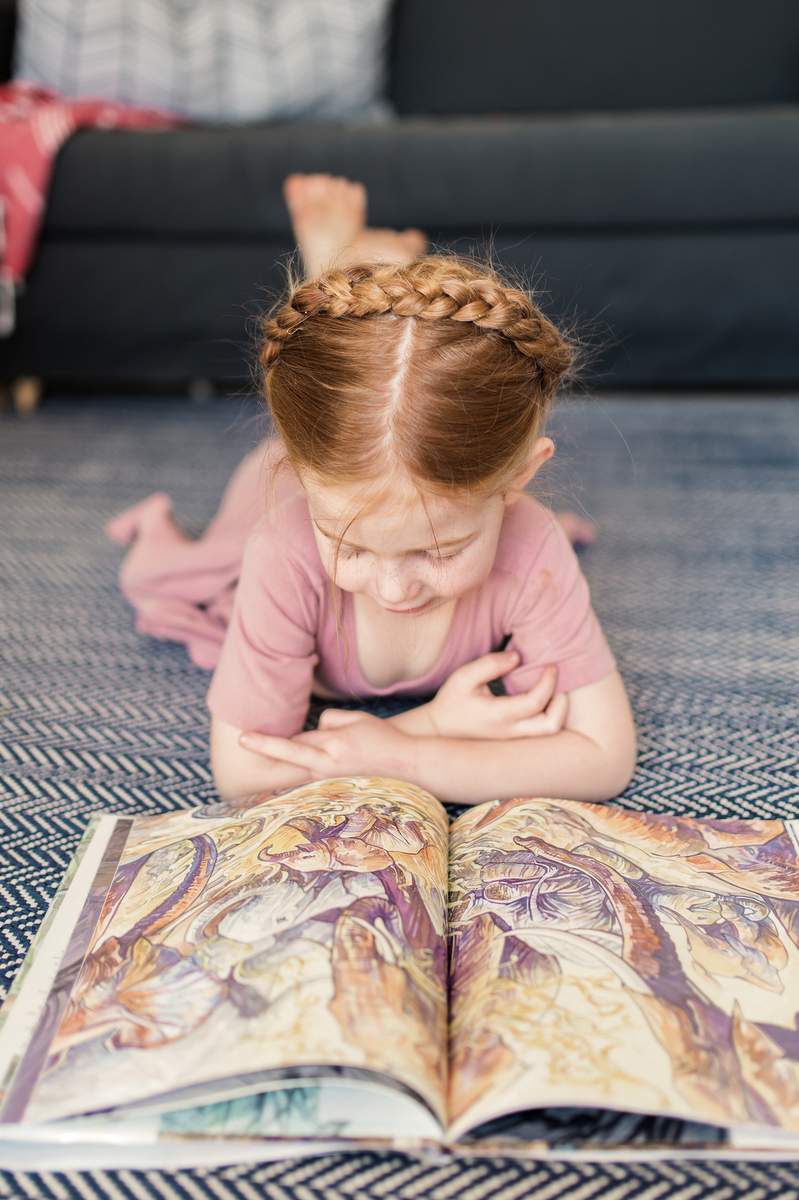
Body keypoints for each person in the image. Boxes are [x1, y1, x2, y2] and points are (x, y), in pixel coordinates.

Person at [107, 174, 637, 807]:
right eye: (351, 547)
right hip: (287, 482)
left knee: (391, 425)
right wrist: (430, 730)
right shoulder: (286, 545)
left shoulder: (530, 547)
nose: (391, 589)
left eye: (438, 552)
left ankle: (361, 276)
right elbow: (246, 778)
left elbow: (606, 757)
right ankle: (339, 269)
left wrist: (404, 756)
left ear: (518, 478)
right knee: (226, 546)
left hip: (375, 476)